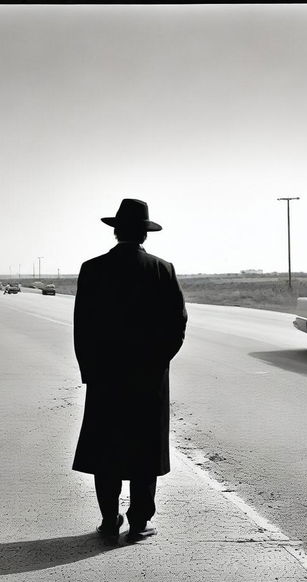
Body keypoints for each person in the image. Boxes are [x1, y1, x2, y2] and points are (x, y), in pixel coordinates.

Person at [72, 198, 188, 543]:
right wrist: (158, 361)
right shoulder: (162, 269)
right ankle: (138, 522)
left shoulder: (92, 268)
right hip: (149, 378)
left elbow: (83, 326)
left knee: (106, 449)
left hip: (106, 378)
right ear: (144, 234)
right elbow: (177, 323)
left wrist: (90, 371)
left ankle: (110, 522)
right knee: (144, 450)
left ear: (116, 231)